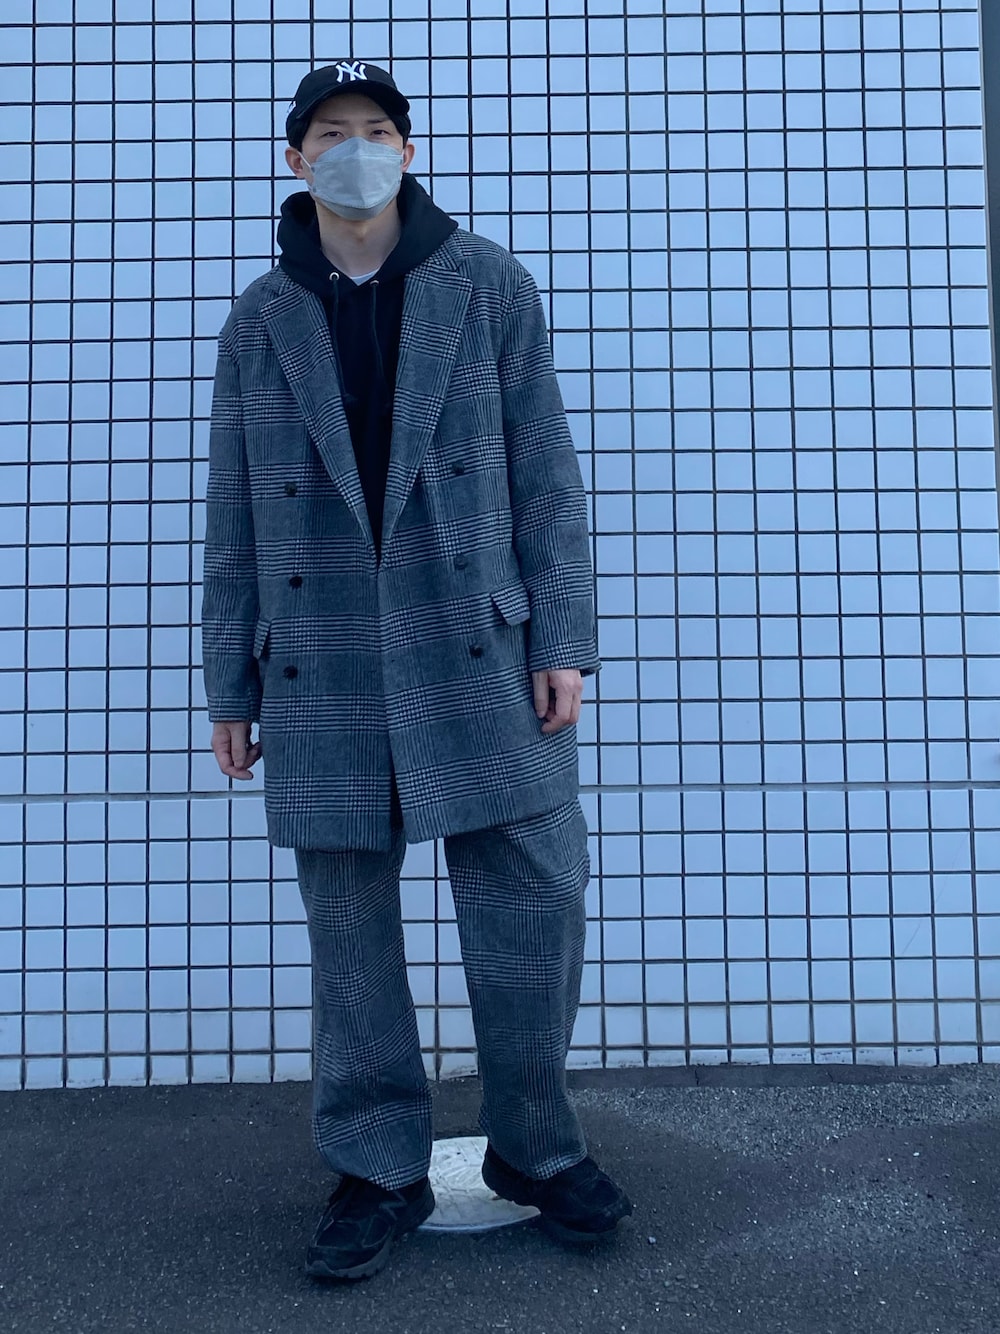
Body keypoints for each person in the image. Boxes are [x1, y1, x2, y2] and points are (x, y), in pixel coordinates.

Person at [201, 59, 631, 1283]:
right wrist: (230, 683)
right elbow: (233, 514)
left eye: (377, 129)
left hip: (477, 640)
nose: (356, 148)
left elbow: (546, 476)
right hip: (321, 653)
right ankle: (376, 1167)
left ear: (406, 148)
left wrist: (563, 638)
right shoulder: (261, 318)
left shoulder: (485, 286)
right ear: (296, 159)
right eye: (332, 132)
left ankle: (535, 1146)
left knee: (533, 905)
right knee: (349, 936)